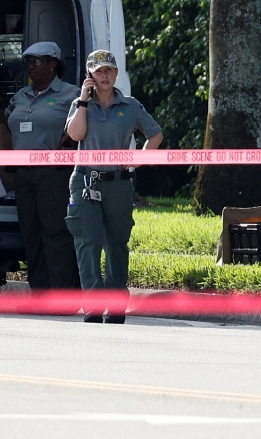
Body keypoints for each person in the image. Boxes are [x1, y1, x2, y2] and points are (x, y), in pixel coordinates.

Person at [64, 49, 163, 323]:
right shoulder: (79, 104)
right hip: (85, 180)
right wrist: (84, 101)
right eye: (98, 71)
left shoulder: (131, 106)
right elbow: (75, 135)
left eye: (108, 70)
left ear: (116, 73)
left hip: (118, 184)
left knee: (117, 244)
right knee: (88, 243)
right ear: (90, 76)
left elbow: (155, 134)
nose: (104, 75)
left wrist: (139, 160)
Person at [5, 41, 81, 290]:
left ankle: (61, 295)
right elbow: (8, 120)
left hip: (54, 174)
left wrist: (70, 137)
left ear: (53, 64)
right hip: (24, 175)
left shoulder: (71, 94)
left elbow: (87, 124)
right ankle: (39, 294)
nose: (31, 67)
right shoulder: (21, 96)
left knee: (55, 233)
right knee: (31, 233)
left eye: (37, 61)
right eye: (28, 62)